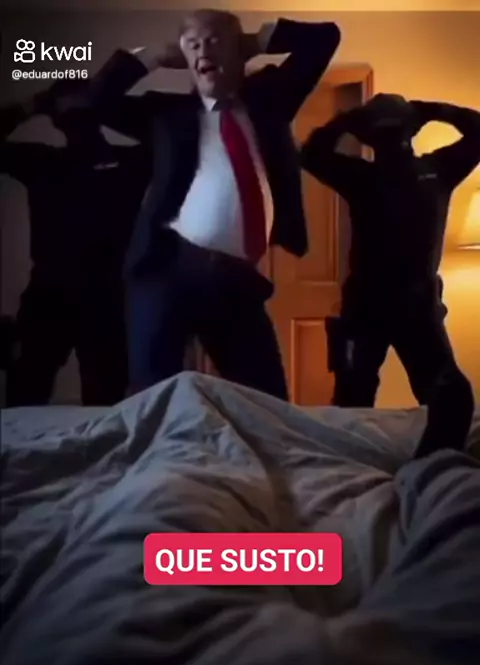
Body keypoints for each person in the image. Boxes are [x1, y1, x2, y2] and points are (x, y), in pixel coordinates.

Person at [84, 10, 341, 399]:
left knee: (267, 404)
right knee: (153, 400)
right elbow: (95, 100)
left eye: (215, 41)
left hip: (237, 281)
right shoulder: (165, 114)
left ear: (238, 51)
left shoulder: (270, 100)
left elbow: (324, 39)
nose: (203, 51)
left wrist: (255, 42)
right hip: (168, 271)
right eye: (193, 44)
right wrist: (153, 56)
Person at [300, 94, 479, 455]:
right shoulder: (431, 171)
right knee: (371, 397)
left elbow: (311, 153)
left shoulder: (379, 175)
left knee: (422, 394)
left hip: (399, 307)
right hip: (385, 308)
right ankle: (427, 465)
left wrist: (351, 119)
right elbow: (310, 155)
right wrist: (430, 111)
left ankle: (424, 464)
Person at [0, 80, 150, 406]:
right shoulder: (43, 162)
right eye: (67, 112)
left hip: (108, 300)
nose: (76, 118)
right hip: (49, 296)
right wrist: (32, 105)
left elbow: (169, 137)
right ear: (56, 119)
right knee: (25, 393)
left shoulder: (132, 162)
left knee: (105, 403)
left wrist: (106, 102)